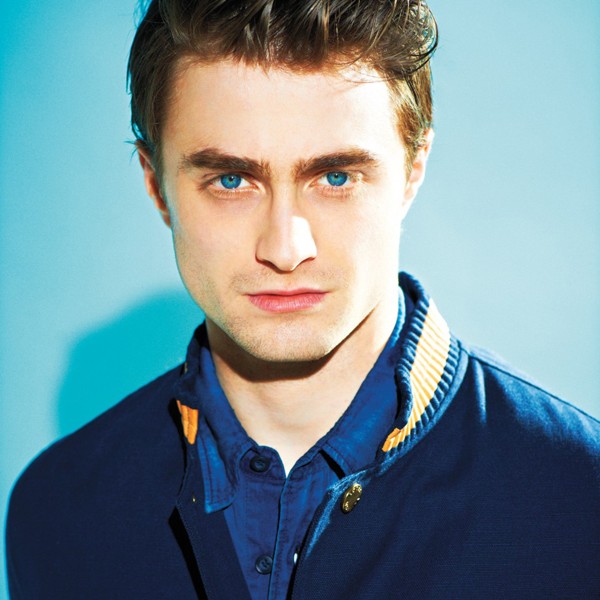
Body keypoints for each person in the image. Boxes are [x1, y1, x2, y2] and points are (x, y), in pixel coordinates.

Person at [6, 0, 599, 598]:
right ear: (156, 183)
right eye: (231, 180)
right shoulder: (58, 511)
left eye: (335, 177)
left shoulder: (582, 497)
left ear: (413, 170)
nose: (286, 250)